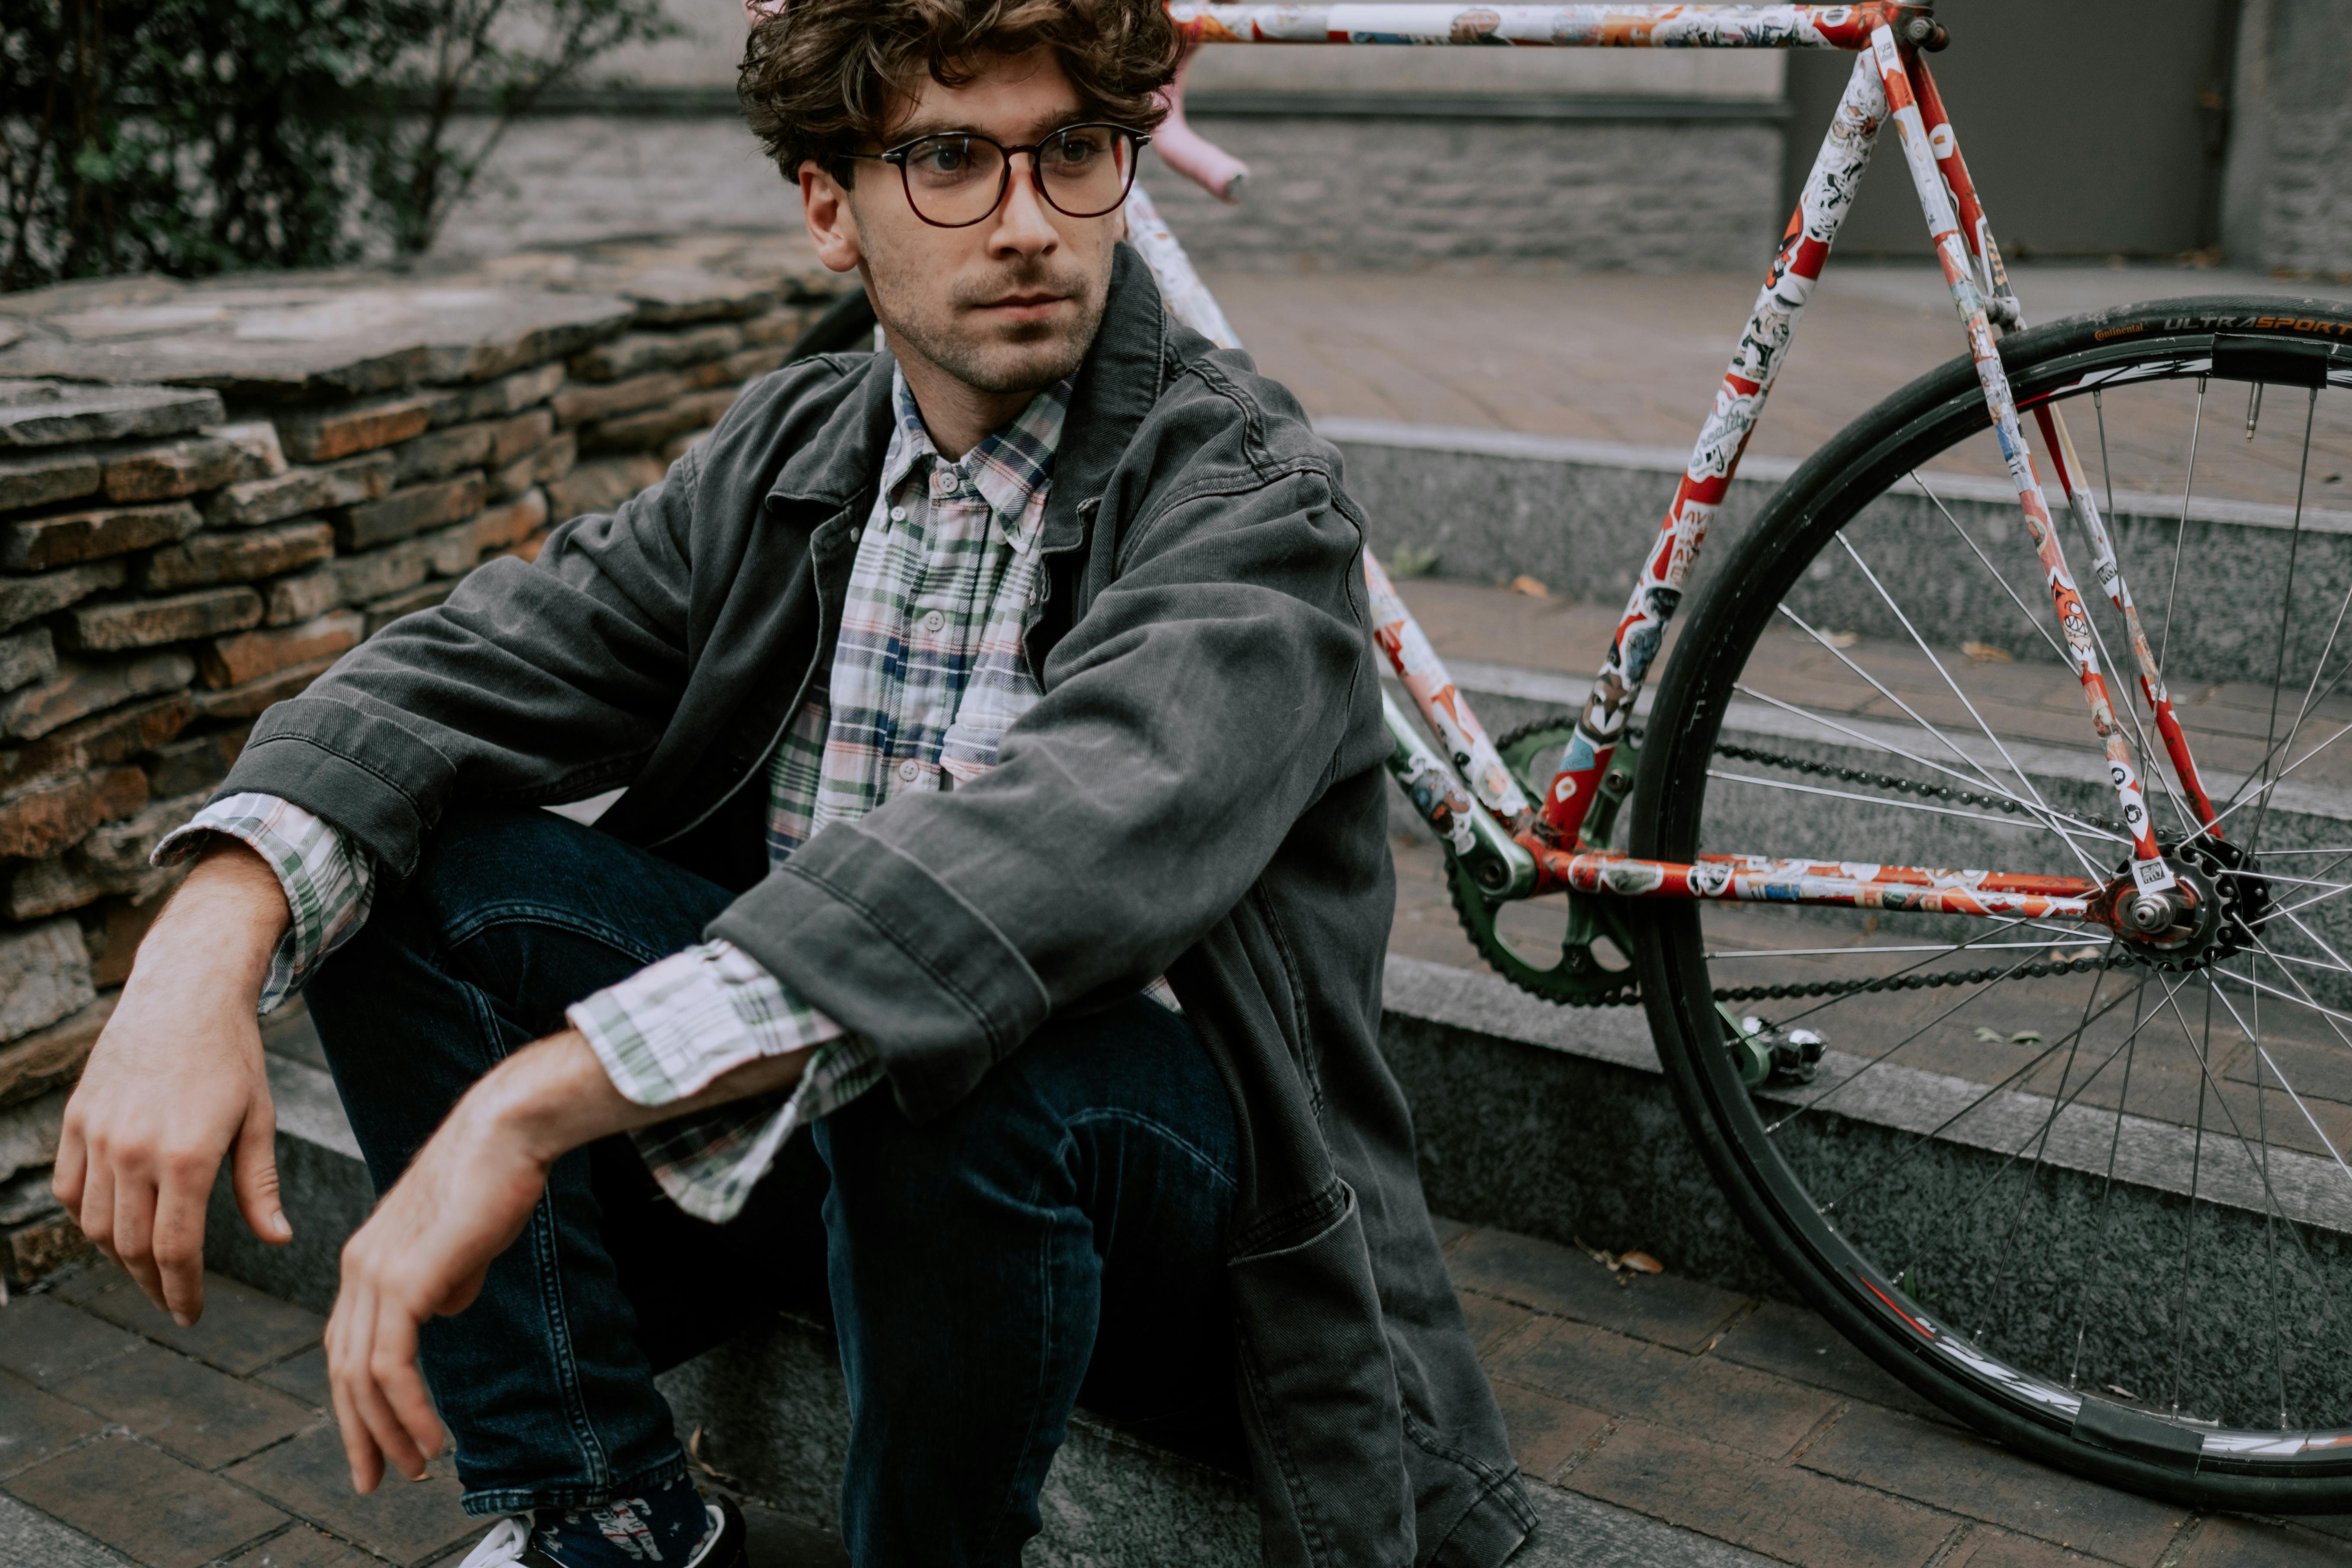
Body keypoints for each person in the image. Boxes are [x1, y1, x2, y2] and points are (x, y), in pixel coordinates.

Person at [51, 2, 1533, 1564]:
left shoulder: (1246, 497)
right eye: (952, 160)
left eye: (1076, 156)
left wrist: (530, 1107)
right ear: (832, 206)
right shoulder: (798, 451)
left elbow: (1064, 841)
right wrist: (204, 936)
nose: (1029, 225)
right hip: (831, 1158)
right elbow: (467, 665)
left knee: (947, 1054)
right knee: (424, 873)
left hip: (1184, 1216)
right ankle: (608, 1510)